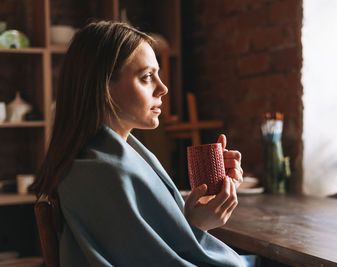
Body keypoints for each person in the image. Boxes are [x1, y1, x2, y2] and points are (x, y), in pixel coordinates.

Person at [31, 21, 247, 267]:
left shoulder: (112, 157)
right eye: (146, 77)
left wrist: (194, 223)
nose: (163, 88)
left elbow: (146, 252)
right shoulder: (105, 173)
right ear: (103, 87)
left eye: (158, 75)